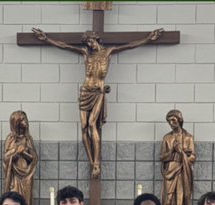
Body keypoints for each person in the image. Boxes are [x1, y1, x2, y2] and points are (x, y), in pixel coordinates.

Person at [30, 27, 164, 177]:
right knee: (83, 127)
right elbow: (66, 46)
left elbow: (129, 46)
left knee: (92, 124)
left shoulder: (108, 52)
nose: (89, 44)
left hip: (98, 92)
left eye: (91, 41)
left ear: (96, 39)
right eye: (87, 42)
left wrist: (147, 39)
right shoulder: (86, 54)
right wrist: (47, 39)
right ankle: (91, 160)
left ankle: (96, 163)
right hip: (85, 91)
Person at [159, 109, 196, 205]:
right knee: (168, 201)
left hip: (183, 172)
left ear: (179, 120)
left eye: (173, 120)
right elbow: (162, 157)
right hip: (170, 172)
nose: (171, 123)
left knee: (180, 202)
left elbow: (193, 157)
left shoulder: (188, 137)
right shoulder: (167, 138)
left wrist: (183, 155)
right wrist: (173, 151)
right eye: (169, 121)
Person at [2, 110, 38, 205]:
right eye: (22, 119)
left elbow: (34, 158)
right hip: (14, 177)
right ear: (16, 122)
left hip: (26, 176)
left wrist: (26, 153)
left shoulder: (28, 139)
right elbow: (6, 158)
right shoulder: (11, 139)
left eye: (25, 118)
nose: (25, 121)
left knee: (25, 203)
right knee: (13, 200)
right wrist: (17, 152)